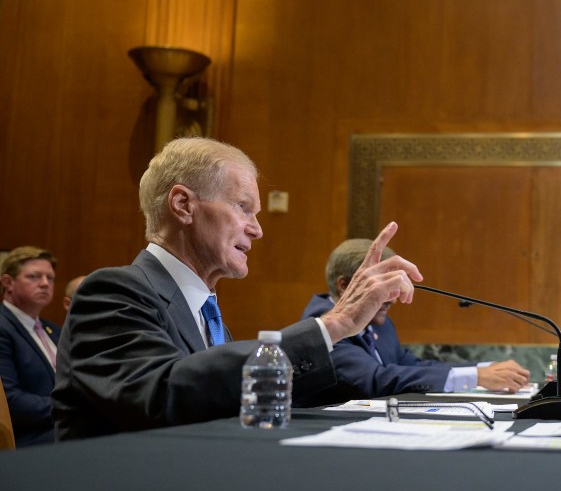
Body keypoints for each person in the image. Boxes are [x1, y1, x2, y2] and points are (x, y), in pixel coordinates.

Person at [52, 137, 421, 440]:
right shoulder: (112, 292)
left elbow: (224, 400)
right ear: (183, 205)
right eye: (243, 207)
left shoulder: (205, 311)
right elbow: (163, 398)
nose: (257, 229)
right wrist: (335, 323)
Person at [297, 239, 529, 406]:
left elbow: (414, 366)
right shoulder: (322, 327)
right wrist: (477, 378)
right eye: (384, 285)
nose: (393, 298)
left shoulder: (380, 325)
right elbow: (374, 381)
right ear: (345, 286)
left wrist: (483, 369)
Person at [0, 246, 61, 446]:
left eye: (50, 278)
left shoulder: (53, 330)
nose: (45, 284)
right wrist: (70, 407)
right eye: (35, 277)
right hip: (29, 438)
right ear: (8, 283)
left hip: (61, 427)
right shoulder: (3, 327)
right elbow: (9, 401)